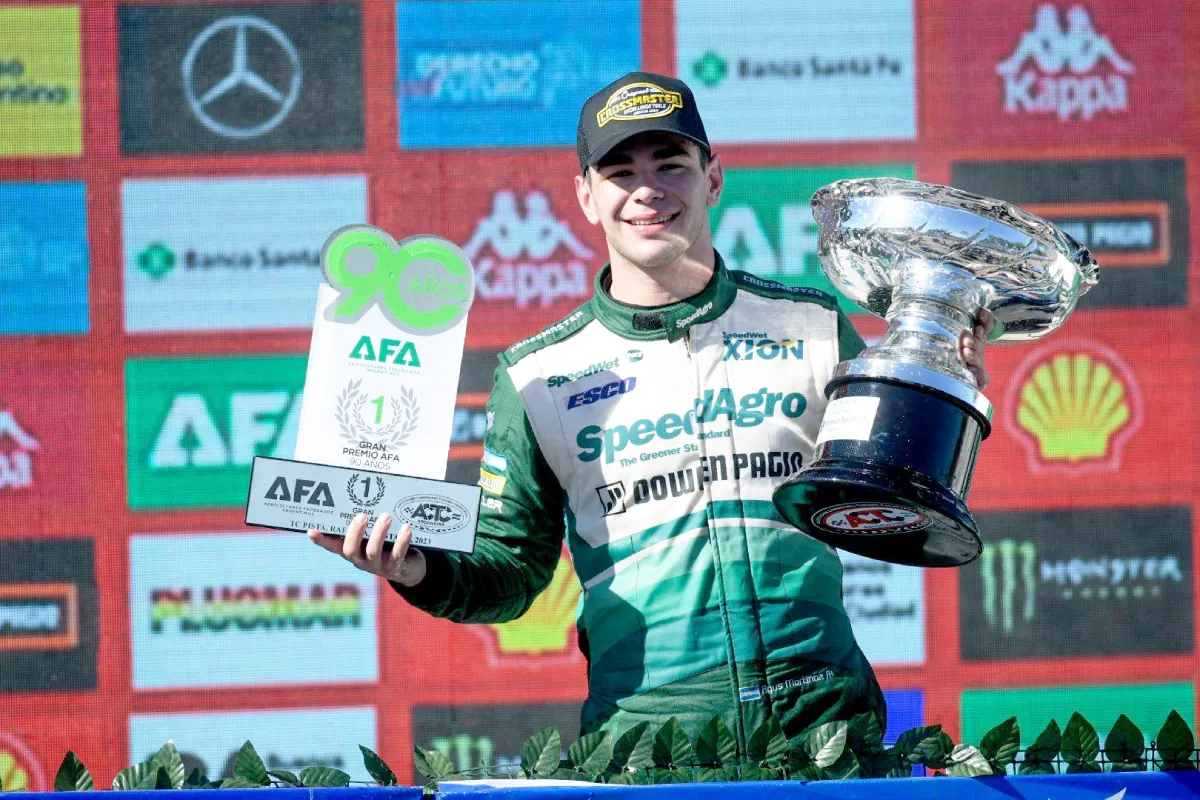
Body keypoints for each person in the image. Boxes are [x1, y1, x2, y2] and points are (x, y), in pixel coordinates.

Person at [309, 71, 991, 756]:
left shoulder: (810, 324)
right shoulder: (537, 375)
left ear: (713, 178)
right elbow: (510, 573)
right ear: (585, 196)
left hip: (820, 721)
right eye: (619, 172)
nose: (648, 191)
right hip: (647, 741)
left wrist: (939, 395)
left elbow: (883, 504)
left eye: (671, 165)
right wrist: (414, 567)